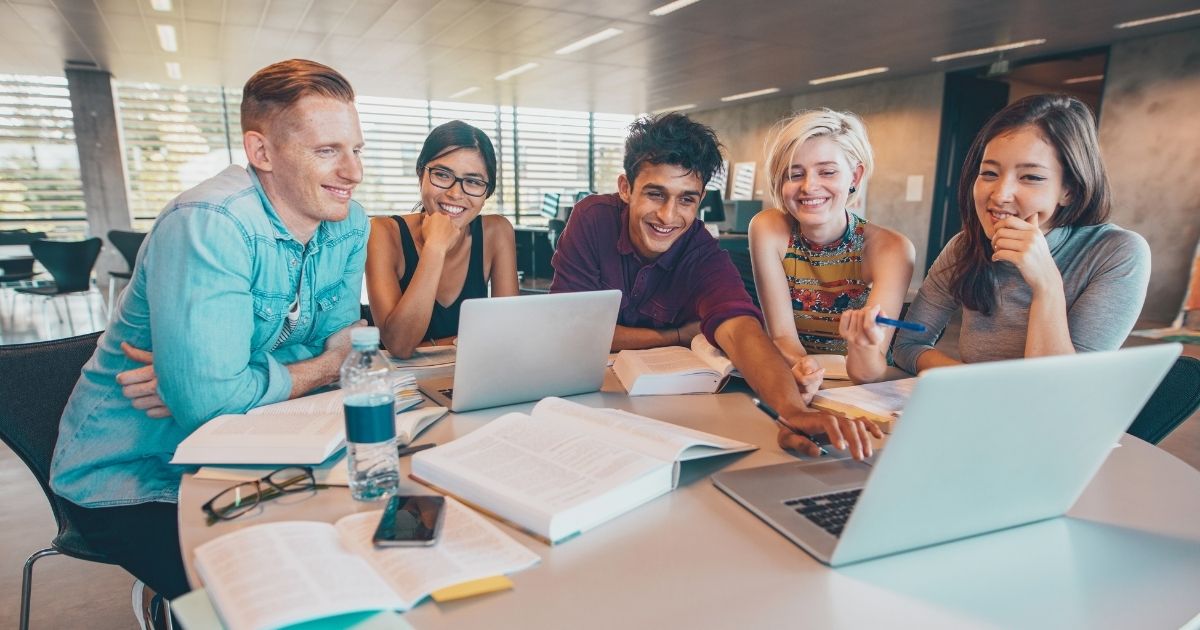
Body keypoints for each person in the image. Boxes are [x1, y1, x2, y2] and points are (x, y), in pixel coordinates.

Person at [49, 59, 370, 601]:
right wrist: (316, 366)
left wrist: (219, 379)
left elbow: (344, 343)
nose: (352, 172)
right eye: (326, 151)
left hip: (251, 450)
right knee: (278, 591)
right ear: (261, 152)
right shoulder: (210, 222)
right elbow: (217, 402)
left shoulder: (348, 222)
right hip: (133, 474)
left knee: (359, 546)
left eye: (356, 150)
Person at [551, 113, 881, 459]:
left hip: (662, 410)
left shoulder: (701, 251)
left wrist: (793, 411)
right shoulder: (592, 219)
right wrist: (675, 335)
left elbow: (740, 330)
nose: (668, 215)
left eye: (686, 199)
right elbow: (571, 330)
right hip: (585, 399)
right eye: (655, 194)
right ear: (625, 188)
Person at [892, 93, 1150, 373]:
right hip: (978, 409)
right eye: (989, 173)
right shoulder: (964, 246)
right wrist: (970, 384)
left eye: (1031, 177)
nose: (1001, 195)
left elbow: (1061, 388)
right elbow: (907, 346)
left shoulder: (1117, 252)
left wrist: (1046, 284)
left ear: (1069, 189)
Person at [750, 109, 914, 384]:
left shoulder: (891, 248)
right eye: (795, 174)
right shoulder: (768, 229)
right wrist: (804, 369)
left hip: (864, 386)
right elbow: (782, 338)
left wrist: (863, 345)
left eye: (827, 172)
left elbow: (869, 371)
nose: (809, 186)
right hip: (799, 377)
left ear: (855, 177)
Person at [365, 121, 517, 358]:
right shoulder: (383, 232)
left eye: (474, 182)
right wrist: (435, 247)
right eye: (442, 175)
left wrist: (430, 346)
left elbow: (508, 334)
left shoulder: (496, 232)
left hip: (474, 375)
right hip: (405, 385)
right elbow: (399, 345)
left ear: (487, 192)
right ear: (420, 175)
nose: (455, 193)